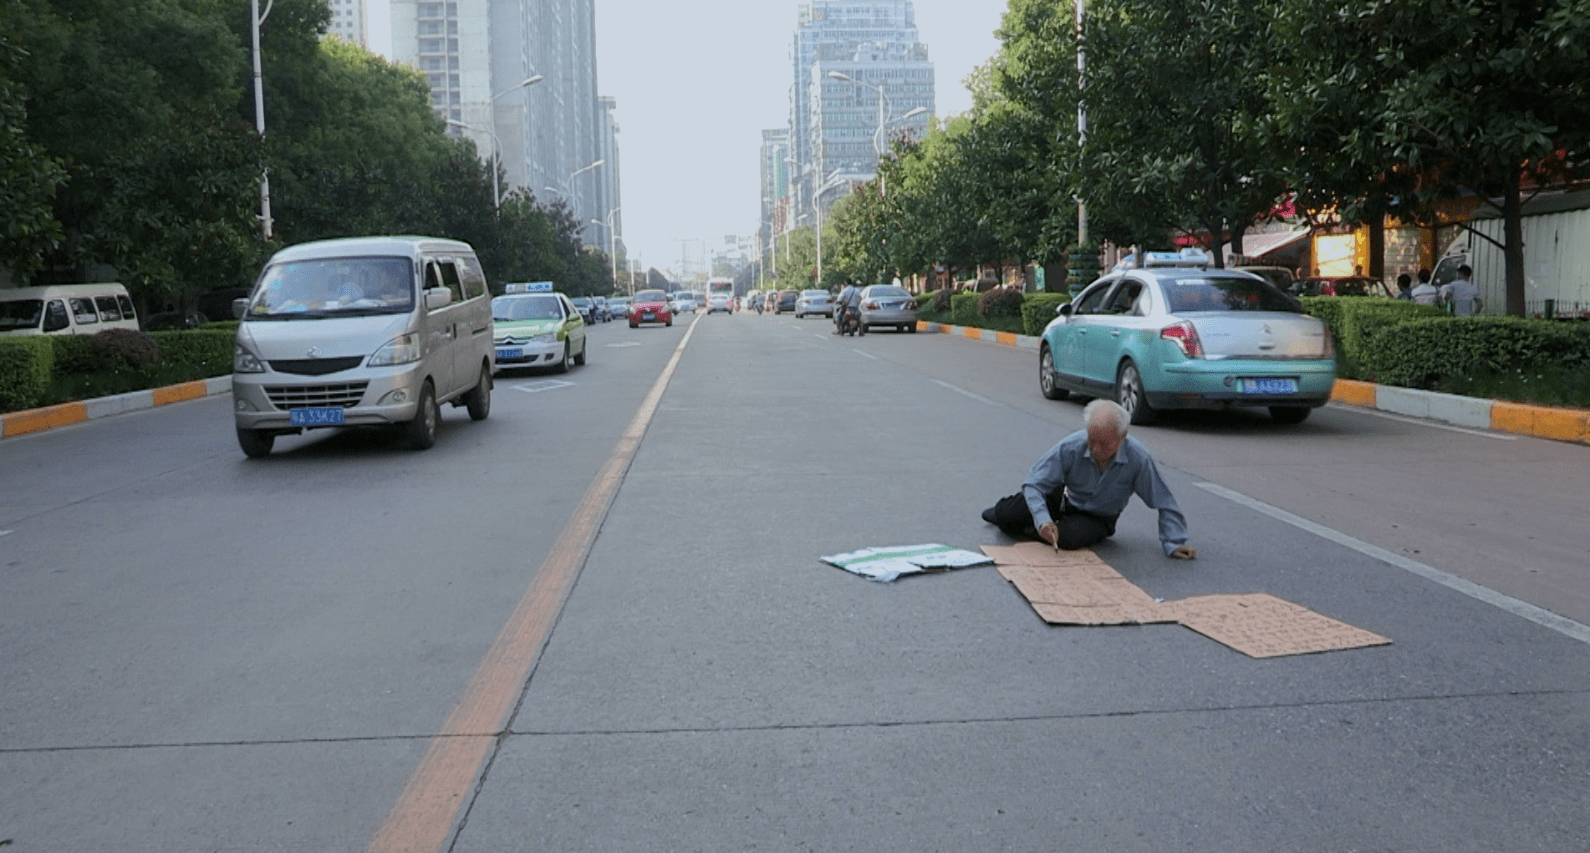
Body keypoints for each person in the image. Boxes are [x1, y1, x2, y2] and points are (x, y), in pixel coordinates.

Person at [981, 399, 1196, 559]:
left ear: (1122, 438)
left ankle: (1037, 528)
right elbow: (1034, 483)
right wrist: (1043, 520)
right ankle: (1023, 521)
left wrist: (1174, 542)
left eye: (1105, 444)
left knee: (1069, 538)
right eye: (1092, 440)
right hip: (1063, 499)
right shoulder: (1072, 446)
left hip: (1099, 517)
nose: (1096, 449)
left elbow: (1163, 499)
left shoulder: (1137, 458)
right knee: (1006, 515)